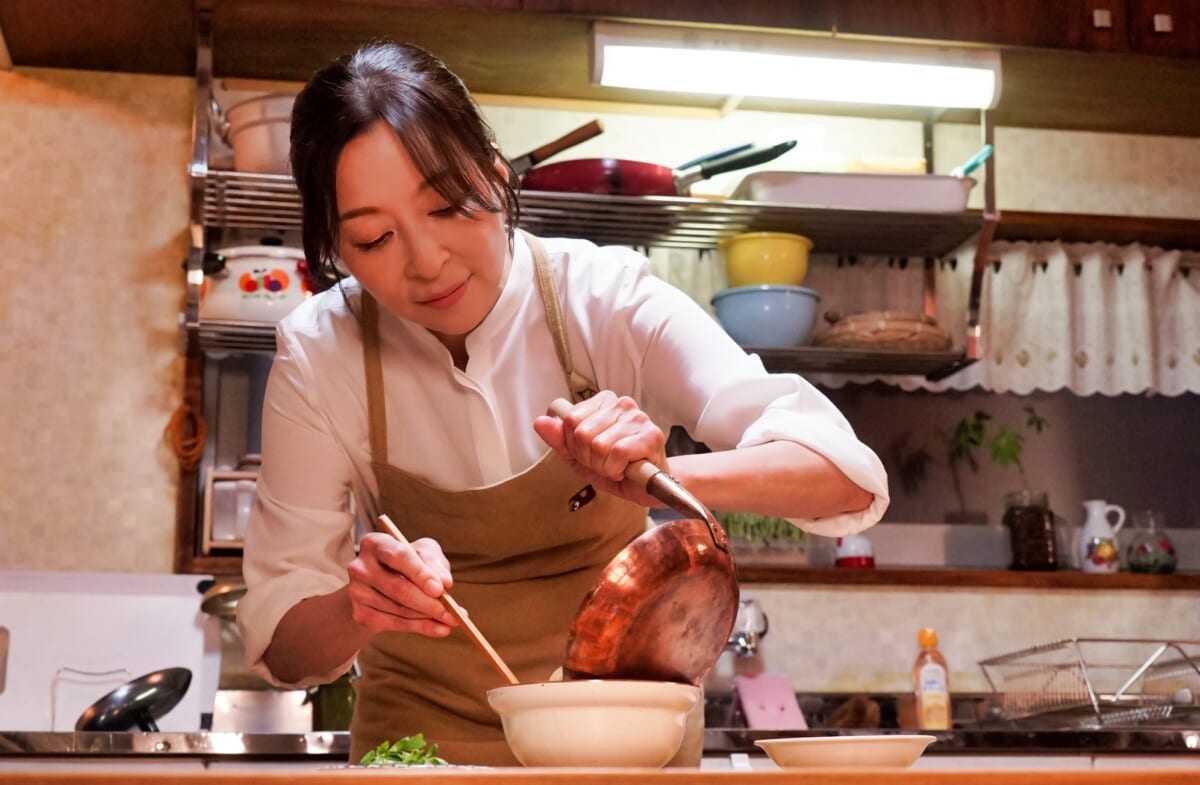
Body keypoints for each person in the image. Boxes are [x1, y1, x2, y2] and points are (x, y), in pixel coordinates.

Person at [237, 40, 889, 766]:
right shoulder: (320, 352)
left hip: (623, 751)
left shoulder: (605, 299)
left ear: (494, 172)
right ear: (334, 246)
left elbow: (847, 477)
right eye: (374, 237)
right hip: (424, 758)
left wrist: (661, 480)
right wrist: (360, 606)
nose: (426, 262)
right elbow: (283, 645)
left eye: (449, 205)